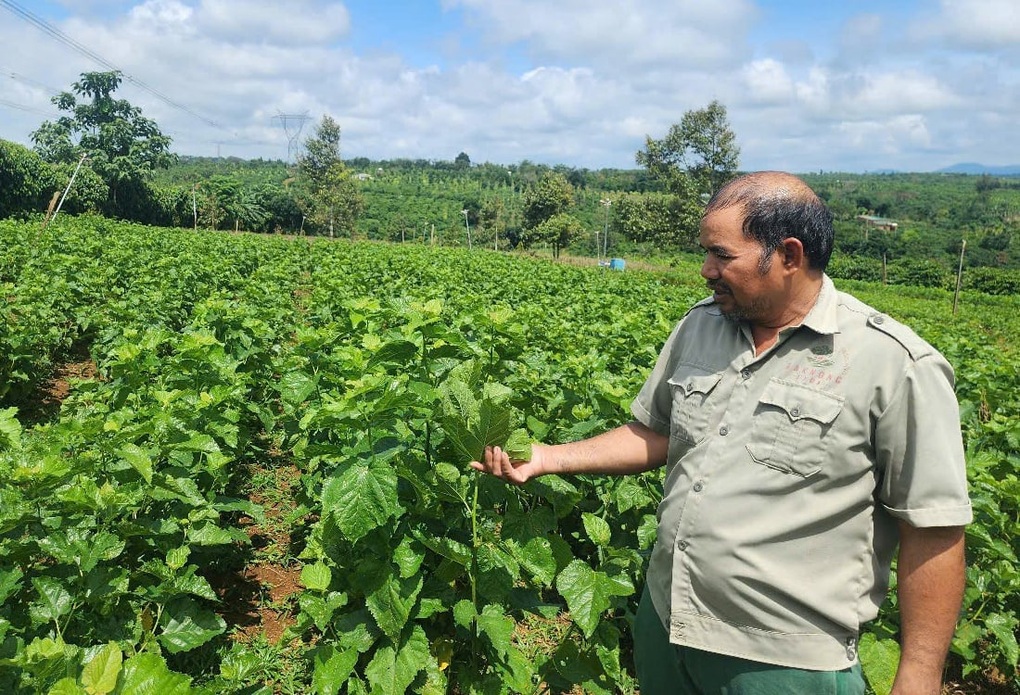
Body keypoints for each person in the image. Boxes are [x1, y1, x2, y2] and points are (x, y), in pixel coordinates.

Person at [471, 171, 971, 695]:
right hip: (668, 621)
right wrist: (549, 457)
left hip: (781, 662)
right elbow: (656, 432)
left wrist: (918, 676)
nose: (706, 270)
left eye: (722, 255)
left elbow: (932, 529)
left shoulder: (894, 363)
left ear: (789, 255)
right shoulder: (702, 327)